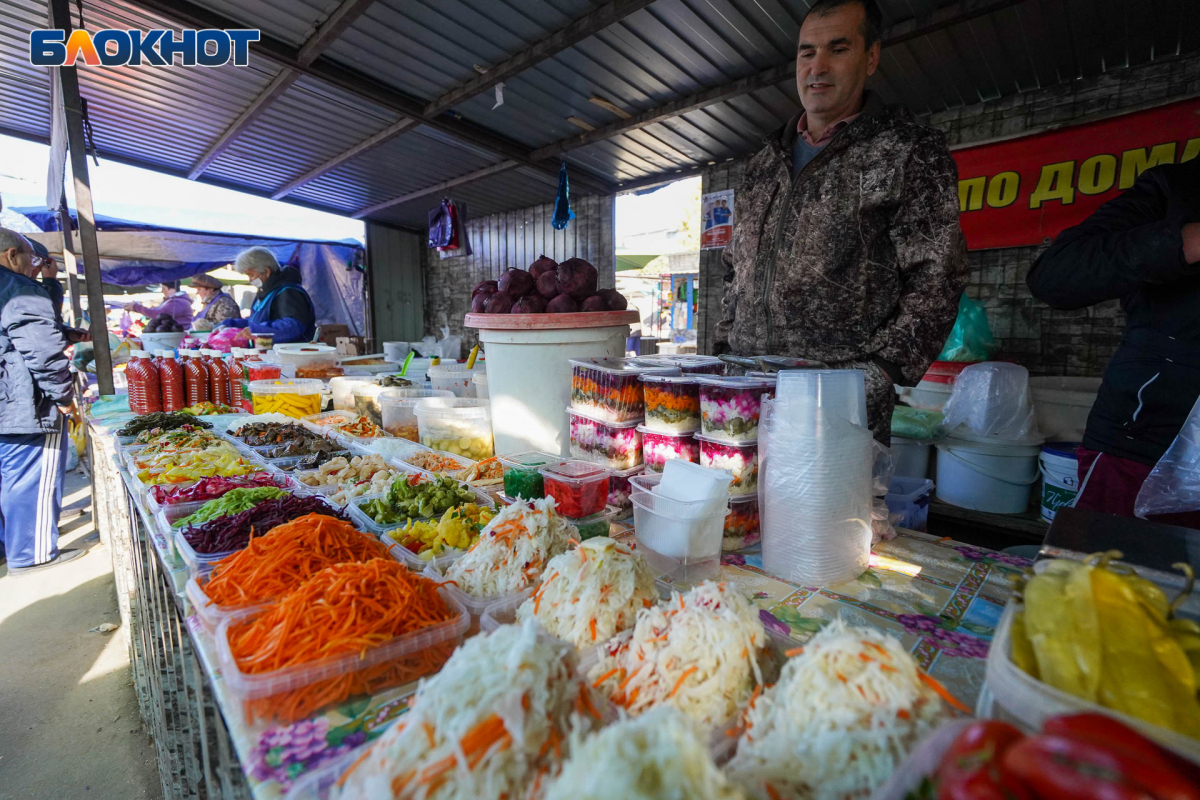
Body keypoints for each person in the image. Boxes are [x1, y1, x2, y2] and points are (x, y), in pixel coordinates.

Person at [713, 0, 967, 444]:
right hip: (743, 397)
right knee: (736, 511)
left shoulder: (906, 151)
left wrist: (881, 373)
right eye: (807, 52)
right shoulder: (762, 164)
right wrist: (723, 348)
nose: (818, 67)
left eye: (838, 48)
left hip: (838, 406)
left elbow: (938, 276)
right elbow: (735, 267)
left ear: (871, 57)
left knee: (826, 515)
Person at [1027, 159, 1200, 522]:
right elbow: (1055, 275)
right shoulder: (1176, 186)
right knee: (1108, 573)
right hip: (1146, 442)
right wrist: (1186, 241)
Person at [0, 228, 82, 574]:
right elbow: (43, 351)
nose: (36, 267)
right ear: (11, 255)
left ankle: (9, 548)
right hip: (22, 404)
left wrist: (61, 330)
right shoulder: (18, 288)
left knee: (8, 477)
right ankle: (30, 553)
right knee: (30, 477)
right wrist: (64, 397)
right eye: (33, 260)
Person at [220, 247, 316, 343]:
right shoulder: (265, 292)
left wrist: (257, 330)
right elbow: (255, 322)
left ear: (266, 271)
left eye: (251, 275)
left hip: (292, 353)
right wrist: (230, 324)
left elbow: (293, 326)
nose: (250, 280)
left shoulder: (289, 291)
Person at [125, 280, 194, 329]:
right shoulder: (172, 301)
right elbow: (156, 310)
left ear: (171, 289)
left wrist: (136, 307)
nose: (162, 291)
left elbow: (158, 314)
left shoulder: (178, 303)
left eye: (164, 288)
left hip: (178, 336)